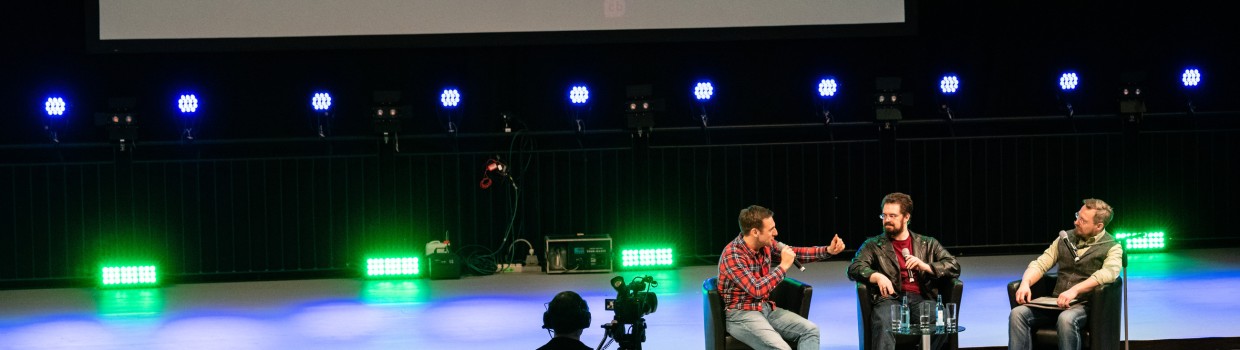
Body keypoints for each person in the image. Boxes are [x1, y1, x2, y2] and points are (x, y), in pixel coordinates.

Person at [717, 204, 846, 350]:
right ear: (755, 232)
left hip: (765, 308)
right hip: (741, 315)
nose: (776, 233)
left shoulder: (766, 245)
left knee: (810, 331)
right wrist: (783, 266)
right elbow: (756, 289)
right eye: (771, 229)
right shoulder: (733, 255)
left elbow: (795, 252)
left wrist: (828, 250)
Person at [847, 192, 961, 350]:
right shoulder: (873, 245)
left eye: (892, 216)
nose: (887, 220)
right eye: (884, 215)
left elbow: (954, 266)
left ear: (906, 217)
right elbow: (854, 268)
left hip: (921, 299)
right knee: (883, 321)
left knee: (943, 320)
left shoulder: (927, 244)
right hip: (889, 299)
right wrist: (876, 276)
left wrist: (926, 266)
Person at [1009, 198, 1123, 350]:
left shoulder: (1112, 246)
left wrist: (1075, 290)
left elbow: (1108, 273)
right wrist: (1025, 283)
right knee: (1018, 314)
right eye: (1078, 216)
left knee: (1066, 318)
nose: (1076, 222)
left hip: (1085, 305)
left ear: (1098, 226)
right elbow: (1041, 263)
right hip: (1055, 302)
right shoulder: (1064, 238)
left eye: (1082, 220)